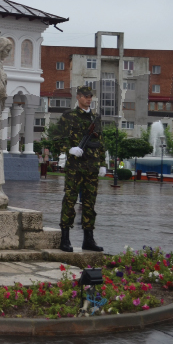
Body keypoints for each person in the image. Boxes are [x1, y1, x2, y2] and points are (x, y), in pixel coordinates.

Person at [56, 85, 104, 253]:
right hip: (75, 167)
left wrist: (103, 163)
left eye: (90, 96)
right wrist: (68, 149)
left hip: (92, 167)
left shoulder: (96, 118)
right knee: (70, 201)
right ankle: (65, 238)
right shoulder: (69, 116)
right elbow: (59, 137)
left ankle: (88, 239)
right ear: (78, 97)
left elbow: (100, 142)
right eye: (85, 96)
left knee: (90, 203)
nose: (88, 98)